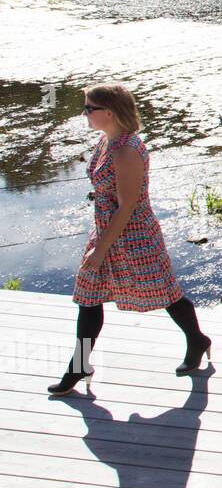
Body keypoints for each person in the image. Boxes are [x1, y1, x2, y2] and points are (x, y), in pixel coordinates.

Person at [49, 83, 211, 396]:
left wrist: (100, 250)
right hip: (106, 230)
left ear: (108, 112)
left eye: (89, 108)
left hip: (135, 236)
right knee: (89, 297)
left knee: (166, 294)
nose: (84, 113)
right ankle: (79, 363)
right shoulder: (105, 141)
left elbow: (128, 206)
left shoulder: (125, 150)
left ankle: (197, 340)